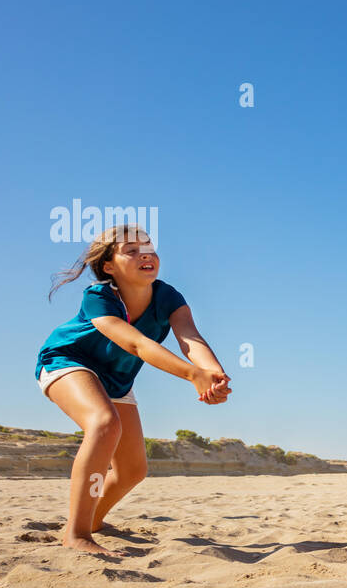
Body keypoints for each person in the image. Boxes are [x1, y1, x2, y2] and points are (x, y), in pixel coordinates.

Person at [36, 224, 231, 556]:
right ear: (109, 266)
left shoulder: (169, 297)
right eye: (131, 250)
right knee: (103, 423)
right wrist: (190, 375)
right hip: (68, 362)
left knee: (132, 471)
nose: (146, 255)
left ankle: (91, 519)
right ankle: (77, 534)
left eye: (150, 248)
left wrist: (213, 374)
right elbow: (136, 343)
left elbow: (190, 337)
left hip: (116, 380)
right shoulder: (100, 296)